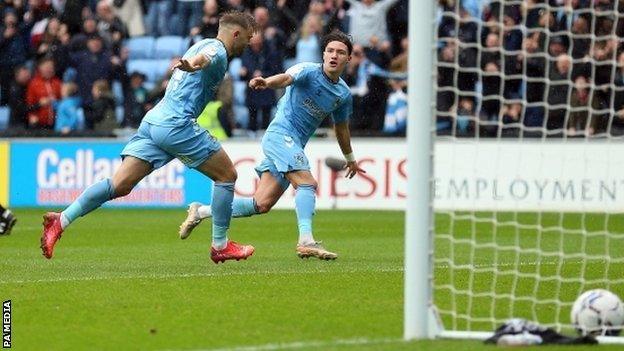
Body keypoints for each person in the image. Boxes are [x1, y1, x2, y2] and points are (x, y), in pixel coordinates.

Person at [40, 11, 257, 264]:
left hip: (154, 122)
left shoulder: (200, 43)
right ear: (236, 34)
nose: (249, 43)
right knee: (227, 176)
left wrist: (189, 63)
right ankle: (220, 245)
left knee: (118, 185)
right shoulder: (217, 51)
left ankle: (62, 219)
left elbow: (199, 57)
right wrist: (192, 65)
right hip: (177, 124)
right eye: (249, 38)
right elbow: (204, 60)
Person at [179, 30, 365, 260]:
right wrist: (267, 82)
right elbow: (286, 78)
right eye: (330, 51)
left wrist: (350, 159)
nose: (334, 55)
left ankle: (202, 211)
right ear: (323, 54)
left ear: (348, 58)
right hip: (280, 135)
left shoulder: (343, 94)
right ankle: (306, 240)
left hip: (293, 144)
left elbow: (341, 127)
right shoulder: (307, 70)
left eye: (340, 52)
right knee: (307, 183)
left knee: (261, 204)